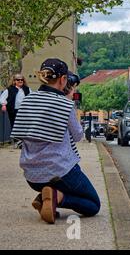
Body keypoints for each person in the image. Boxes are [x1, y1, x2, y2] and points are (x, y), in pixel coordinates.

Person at [11, 58, 100, 224]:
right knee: (93, 205)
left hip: (32, 176)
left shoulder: (28, 100)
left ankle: (46, 198)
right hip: (60, 172)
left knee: (65, 187)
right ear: (63, 79)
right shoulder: (65, 105)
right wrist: (68, 106)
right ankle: (56, 197)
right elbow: (78, 135)